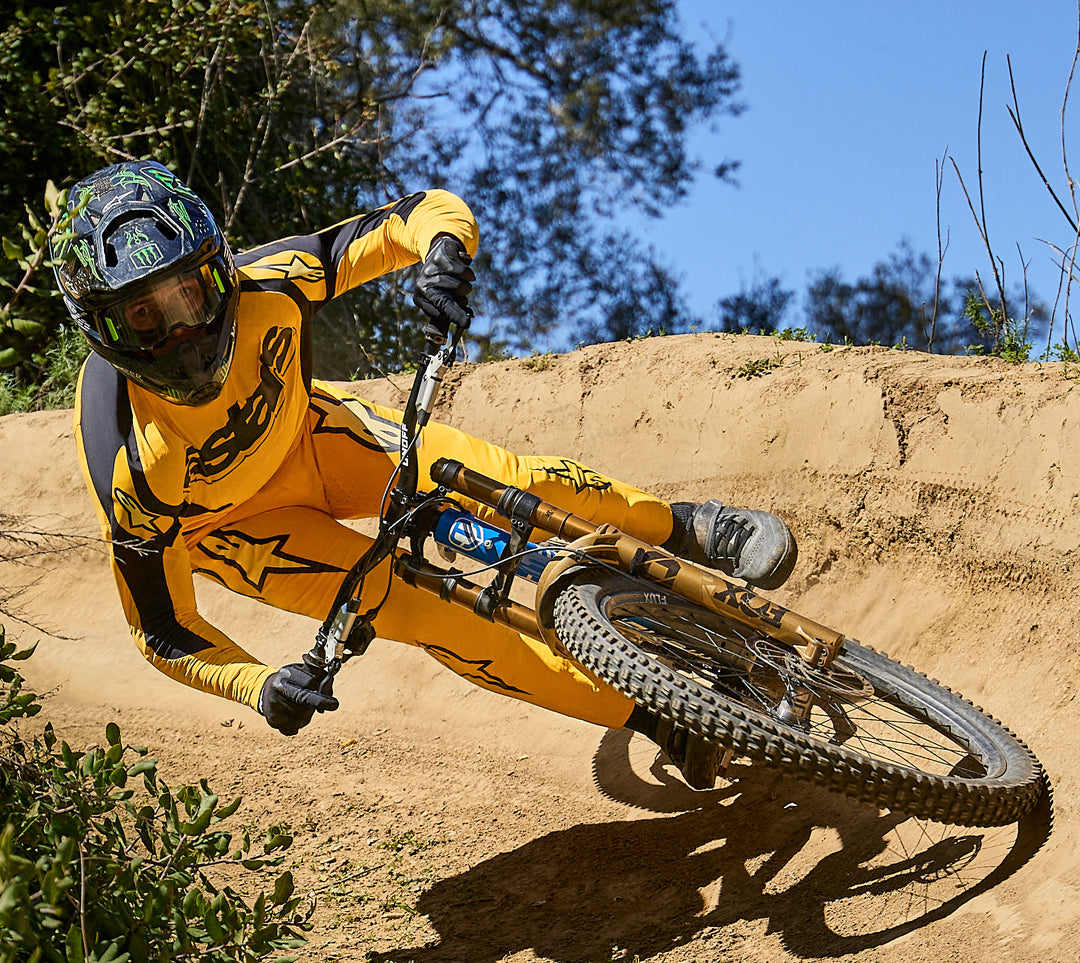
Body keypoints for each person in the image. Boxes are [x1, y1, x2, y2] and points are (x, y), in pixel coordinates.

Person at [55, 160, 797, 790]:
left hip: (314, 439)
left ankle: (690, 527)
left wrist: (442, 253)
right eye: (145, 317)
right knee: (433, 616)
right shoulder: (123, 458)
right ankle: (661, 719)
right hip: (237, 530)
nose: (182, 329)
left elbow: (416, 214)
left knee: (508, 480)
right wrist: (257, 685)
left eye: (189, 294)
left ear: (218, 268)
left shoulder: (266, 285)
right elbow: (161, 628)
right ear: (100, 326)